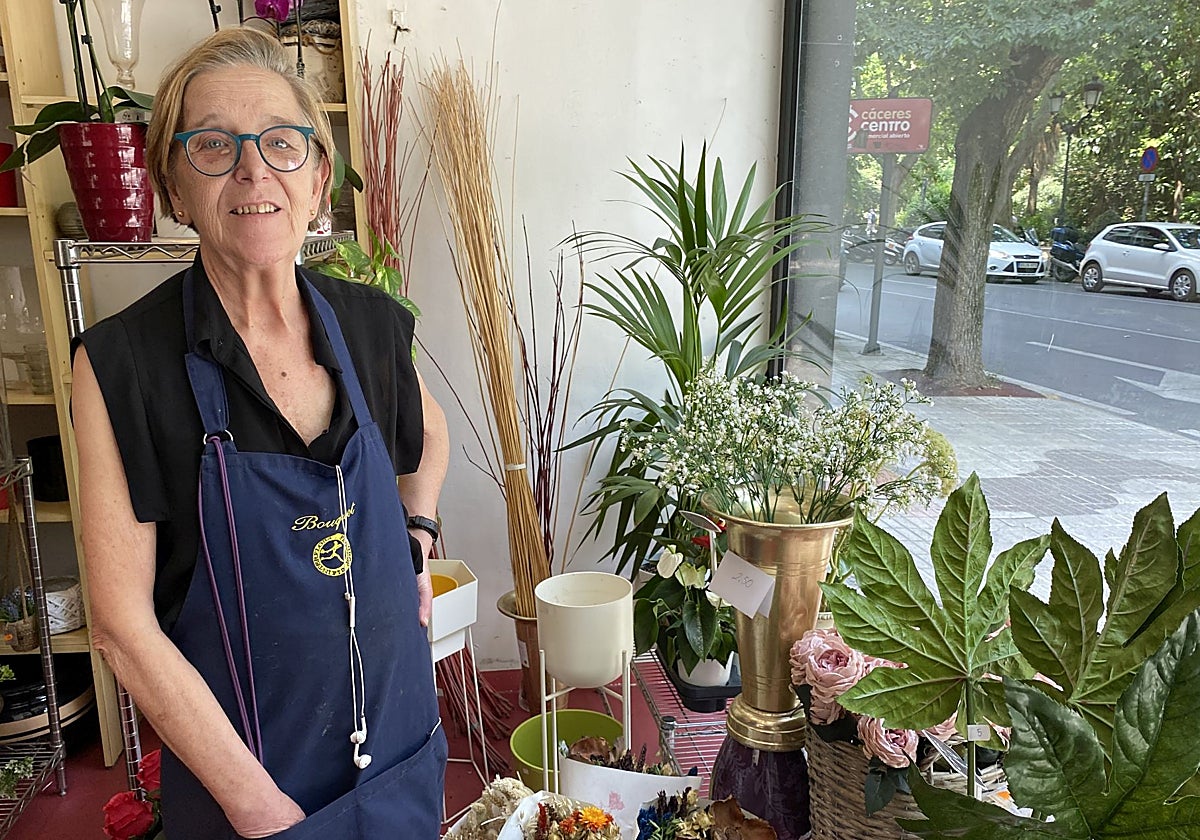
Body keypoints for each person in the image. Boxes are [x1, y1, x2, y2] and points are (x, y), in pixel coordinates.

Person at [72, 28, 448, 840]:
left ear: (317, 178)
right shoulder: (122, 365)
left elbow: (431, 435)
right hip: (248, 790)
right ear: (173, 185)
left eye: (281, 143)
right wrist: (259, 809)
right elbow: (120, 625)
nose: (253, 170)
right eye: (213, 146)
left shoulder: (374, 327)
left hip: (397, 748)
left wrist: (418, 529)